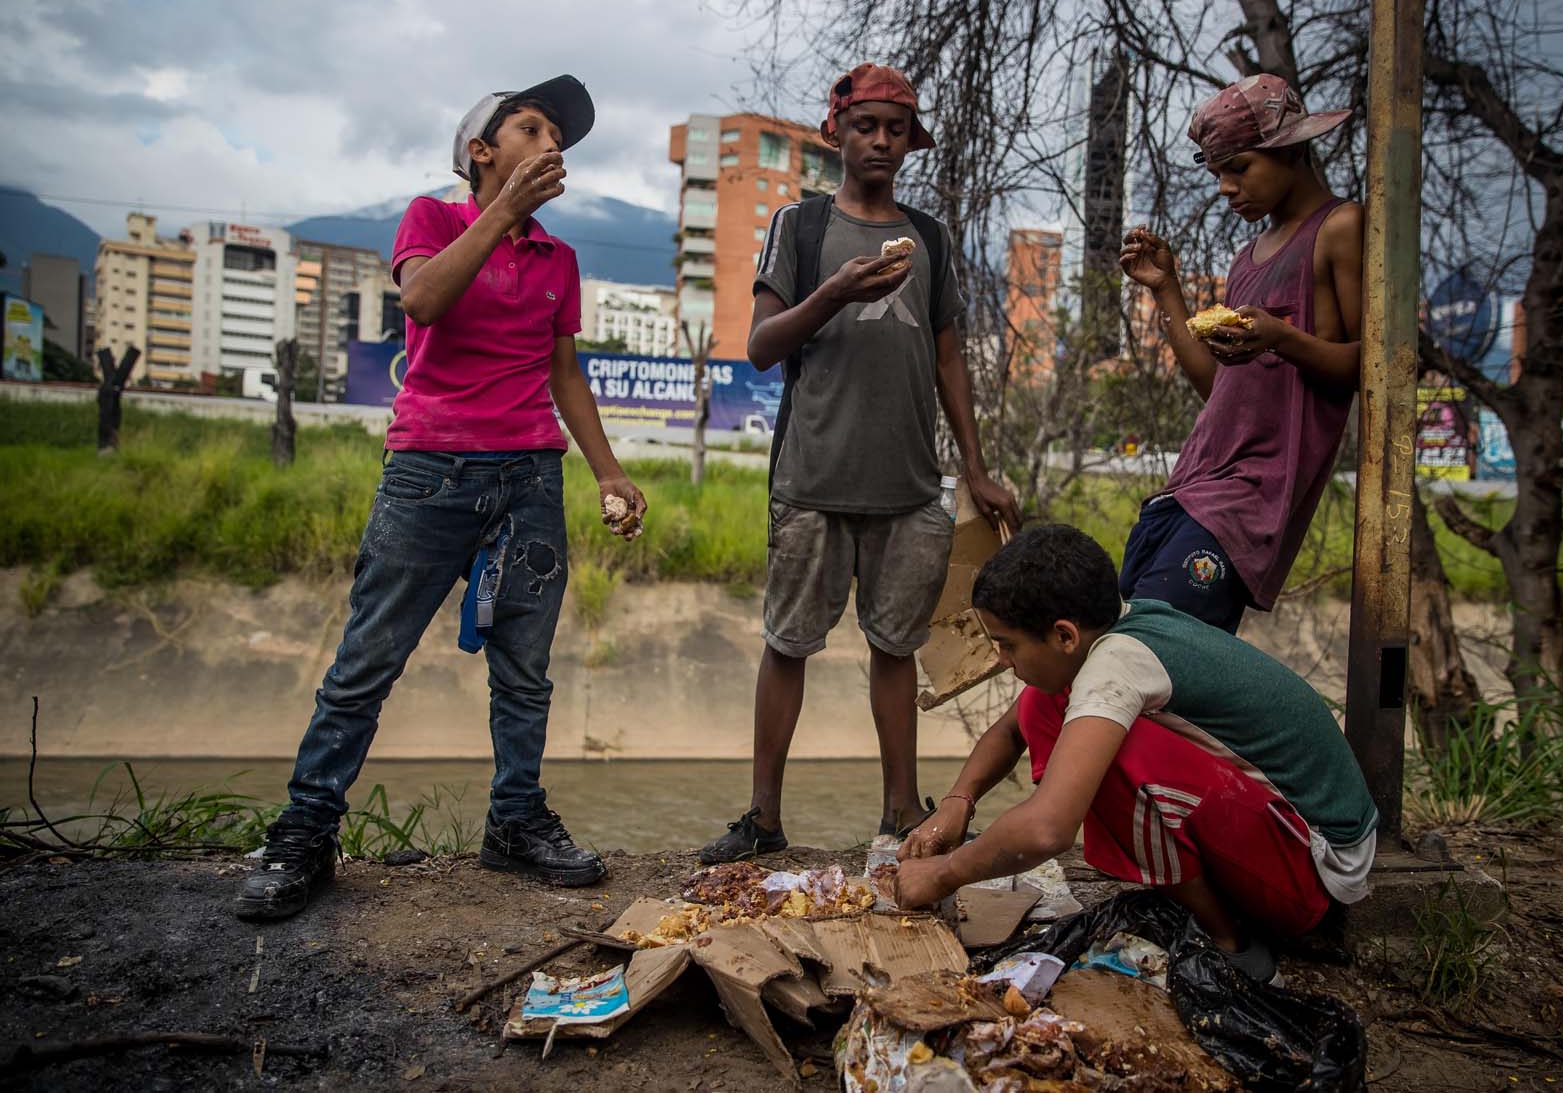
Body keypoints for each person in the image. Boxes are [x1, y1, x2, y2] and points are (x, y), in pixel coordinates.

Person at [235, 74, 647, 920]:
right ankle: (306, 831)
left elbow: (563, 372)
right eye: (531, 128)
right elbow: (422, 299)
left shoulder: (558, 260)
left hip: (529, 476)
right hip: (430, 473)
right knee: (367, 662)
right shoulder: (433, 218)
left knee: (525, 670)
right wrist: (501, 216)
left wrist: (607, 470)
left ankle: (515, 821)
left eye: (559, 135)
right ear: (481, 153)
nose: (552, 143)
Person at [698, 63, 1021, 864]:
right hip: (812, 481)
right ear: (835, 133)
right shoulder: (801, 228)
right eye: (867, 125)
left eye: (896, 128)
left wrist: (974, 466)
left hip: (910, 487)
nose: (882, 140)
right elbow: (763, 347)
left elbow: (950, 359)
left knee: (895, 647)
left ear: (911, 141)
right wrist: (833, 293)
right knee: (789, 643)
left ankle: (902, 813)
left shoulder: (932, 238)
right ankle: (764, 818)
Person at [895, 524, 1377, 983]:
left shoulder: (1116, 667)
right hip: (1286, 840)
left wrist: (943, 875)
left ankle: (1230, 946)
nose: (1002, 660)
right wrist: (960, 800)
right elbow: (1012, 730)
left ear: (1065, 635)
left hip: (1315, 873)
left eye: (1008, 645)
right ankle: (1204, 902)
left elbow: (1048, 829)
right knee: (1044, 701)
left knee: (1117, 755)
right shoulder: (1120, 628)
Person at [1117, 74, 1364, 634]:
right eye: (1216, 172)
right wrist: (1166, 289)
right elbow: (1218, 389)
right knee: (1139, 649)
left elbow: (1371, 369)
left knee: (1157, 651)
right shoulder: (1246, 258)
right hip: (1195, 480)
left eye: (1240, 166)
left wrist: (1283, 337)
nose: (1226, 187)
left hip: (1249, 499)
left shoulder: (1340, 228)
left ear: (1293, 149)